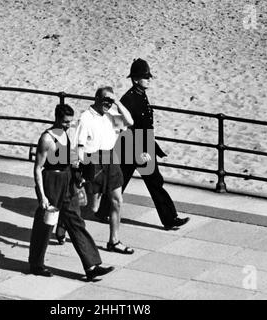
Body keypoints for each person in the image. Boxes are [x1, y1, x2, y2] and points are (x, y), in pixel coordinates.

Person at [96, 59, 190, 230]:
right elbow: (125, 126)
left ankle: (103, 212)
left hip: (139, 145)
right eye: (145, 77)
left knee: (126, 181)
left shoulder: (139, 94)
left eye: (148, 77)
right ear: (135, 79)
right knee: (149, 182)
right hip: (134, 147)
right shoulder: (129, 98)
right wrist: (143, 151)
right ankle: (170, 219)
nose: (149, 79)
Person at [29, 103, 114, 281]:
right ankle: (36, 264)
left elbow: (70, 159)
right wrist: (42, 196)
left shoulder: (66, 134)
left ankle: (91, 266)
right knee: (45, 225)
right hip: (52, 181)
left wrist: (78, 174)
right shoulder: (46, 139)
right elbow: (38, 169)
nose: (69, 125)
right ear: (57, 118)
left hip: (67, 181)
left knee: (76, 221)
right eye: (66, 122)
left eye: (70, 121)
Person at [76, 86, 135, 254]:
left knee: (117, 200)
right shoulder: (86, 118)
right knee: (91, 208)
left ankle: (114, 241)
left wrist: (117, 102)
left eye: (110, 101)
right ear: (96, 98)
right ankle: (65, 225)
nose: (108, 104)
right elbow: (79, 145)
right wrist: (80, 167)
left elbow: (130, 122)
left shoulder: (111, 116)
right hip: (92, 160)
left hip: (111, 159)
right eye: (105, 100)